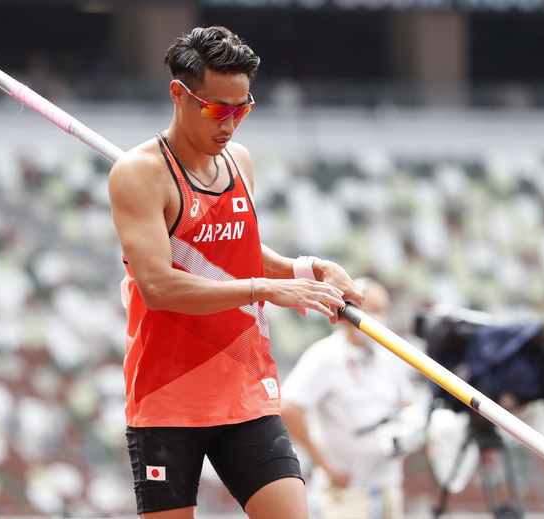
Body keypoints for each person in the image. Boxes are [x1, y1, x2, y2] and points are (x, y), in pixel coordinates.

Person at [107, 25, 363, 519]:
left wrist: (305, 268)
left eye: (242, 108)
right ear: (179, 94)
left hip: (245, 388)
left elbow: (238, 252)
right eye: (218, 109)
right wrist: (264, 289)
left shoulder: (238, 161)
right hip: (167, 396)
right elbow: (158, 286)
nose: (230, 124)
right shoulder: (139, 174)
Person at [281, 278, 427, 519]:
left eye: (385, 309)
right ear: (350, 312)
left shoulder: (387, 357)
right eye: (374, 309)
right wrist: (324, 465)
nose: (382, 317)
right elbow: (288, 408)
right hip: (346, 493)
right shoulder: (324, 356)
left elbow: (409, 403)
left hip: (389, 485)